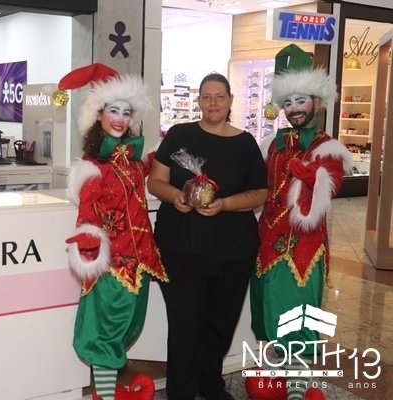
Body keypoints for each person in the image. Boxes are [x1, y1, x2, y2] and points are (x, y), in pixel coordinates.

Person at [147, 72, 269, 400]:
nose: (213, 103)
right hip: (181, 248)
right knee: (185, 325)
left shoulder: (245, 144)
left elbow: (260, 193)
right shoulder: (179, 135)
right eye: (206, 96)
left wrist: (225, 204)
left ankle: (209, 384)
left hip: (233, 251)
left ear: (230, 101)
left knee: (220, 324)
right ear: (198, 101)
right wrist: (176, 196)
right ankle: (181, 392)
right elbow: (155, 181)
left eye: (219, 96)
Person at [250, 44, 353, 400]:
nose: (294, 109)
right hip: (266, 245)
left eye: (301, 101)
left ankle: (295, 392)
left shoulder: (329, 148)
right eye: (288, 102)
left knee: (298, 319)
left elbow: (332, 187)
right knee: (267, 312)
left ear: (317, 102)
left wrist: (312, 176)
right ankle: (273, 383)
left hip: (303, 251)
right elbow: (258, 186)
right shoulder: (272, 144)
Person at [61, 63, 168, 400]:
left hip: (140, 262)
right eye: (113, 111)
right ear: (99, 115)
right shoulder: (93, 168)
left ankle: (106, 393)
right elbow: (87, 213)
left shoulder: (133, 161)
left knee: (128, 326)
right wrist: (88, 238)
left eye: (126, 112)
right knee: (106, 331)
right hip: (112, 267)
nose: (120, 119)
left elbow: (151, 168)